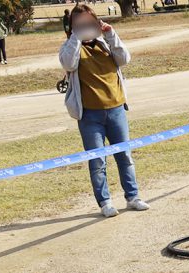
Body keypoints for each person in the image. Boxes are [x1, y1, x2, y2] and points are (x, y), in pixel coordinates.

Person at [59, 3, 149, 217]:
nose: (85, 27)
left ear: (96, 22)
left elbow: (124, 59)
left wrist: (110, 34)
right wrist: (76, 37)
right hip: (90, 115)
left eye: (88, 23)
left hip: (116, 109)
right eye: (79, 24)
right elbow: (68, 64)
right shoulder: (70, 47)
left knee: (124, 156)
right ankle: (105, 202)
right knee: (97, 161)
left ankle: (133, 196)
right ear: (72, 26)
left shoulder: (105, 43)